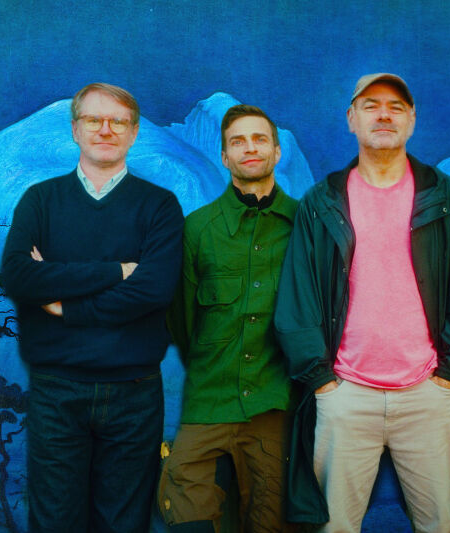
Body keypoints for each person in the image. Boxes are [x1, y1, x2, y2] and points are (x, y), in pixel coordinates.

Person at [275, 73, 450, 532]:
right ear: (351, 118)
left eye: (396, 106)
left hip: (427, 395)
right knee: (333, 526)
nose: (384, 115)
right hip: (345, 395)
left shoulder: (447, 197)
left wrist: (449, 375)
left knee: (439, 524)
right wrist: (322, 381)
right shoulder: (321, 202)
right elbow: (298, 297)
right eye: (371, 105)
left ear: (412, 119)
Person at [1, 82, 183, 532]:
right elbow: (19, 277)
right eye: (94, 119)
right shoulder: (39, 200)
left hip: (134, 394)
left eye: (118, 121)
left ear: (134, 132)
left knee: (124, 524)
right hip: (56, 391)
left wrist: (65, 306)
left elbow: (153, 291)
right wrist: (116, 271)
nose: (106, 129)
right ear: (75, 129)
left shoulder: (160, 206)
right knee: (55, 523)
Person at [157, 105, 298, 533]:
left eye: (259, 139)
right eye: (238, 141)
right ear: (224, 156)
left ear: (277, 151)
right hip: (208, 401)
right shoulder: (197, 229)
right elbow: (183, 321)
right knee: (186, 510)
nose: (249, 148)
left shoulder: (306, 227)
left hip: (274, 403)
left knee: (275, 517)